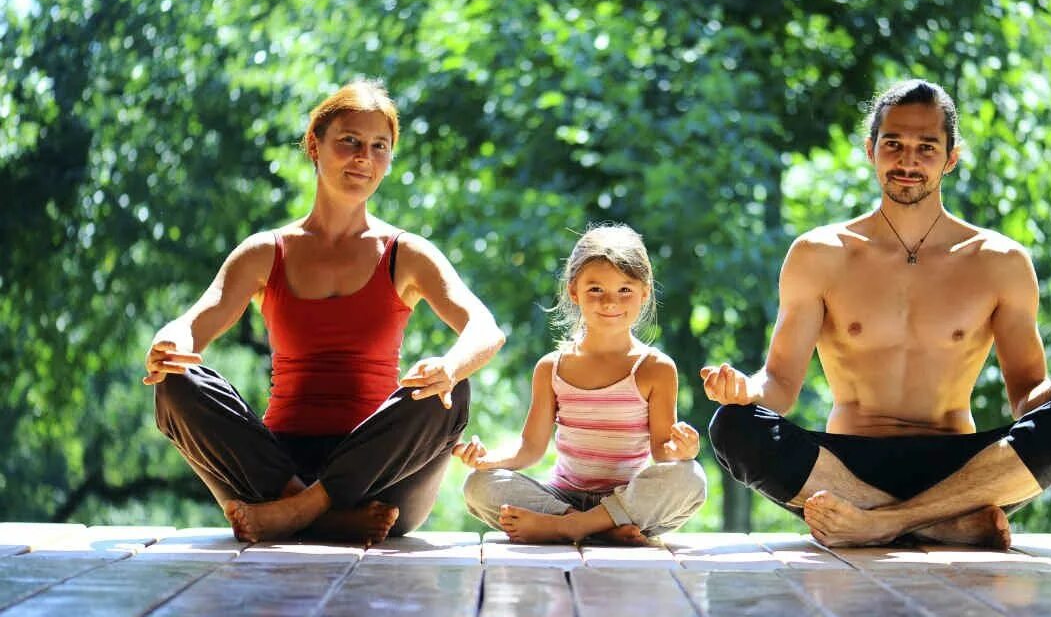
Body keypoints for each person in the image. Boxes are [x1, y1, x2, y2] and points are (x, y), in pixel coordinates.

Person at [702, 79, 1051, 549]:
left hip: (962, 466)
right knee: (732, 424)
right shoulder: (819, 254)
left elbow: (1026, 402)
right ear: (871, 149)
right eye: (893, 144)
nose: (908, 161)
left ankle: (880, 523)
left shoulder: (1000, 261)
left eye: (926, 147)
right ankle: (937, 525)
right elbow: (778, 385)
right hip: (846, 465)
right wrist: (742, 390)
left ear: (951, 157)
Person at [144, 79, 505, 544]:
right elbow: (193, 325)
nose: (364, 158)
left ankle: (304, 510)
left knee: (448, 392)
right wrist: (170, 341)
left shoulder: (406, 253)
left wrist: (450, 367)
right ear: (315, 145)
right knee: (175, 380)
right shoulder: (264, 252)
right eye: (350, 141)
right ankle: (313, 509)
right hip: (273, 468)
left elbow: (485, 329)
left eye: (379, 147)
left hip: (382, 476)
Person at [456, 224, 706, 544]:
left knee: (691, 478)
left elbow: (662, 451)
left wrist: (682, 451)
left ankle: (574, 528)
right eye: (596, 289)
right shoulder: (551, 368)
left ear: (645, 293)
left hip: (628, 500)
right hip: (562, 499)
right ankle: (587, 526)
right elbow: (530, 448)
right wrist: (490, 461)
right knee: (478, 485)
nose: (609, 302)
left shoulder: (655, 369)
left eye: (625, 290)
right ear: (574, 292)